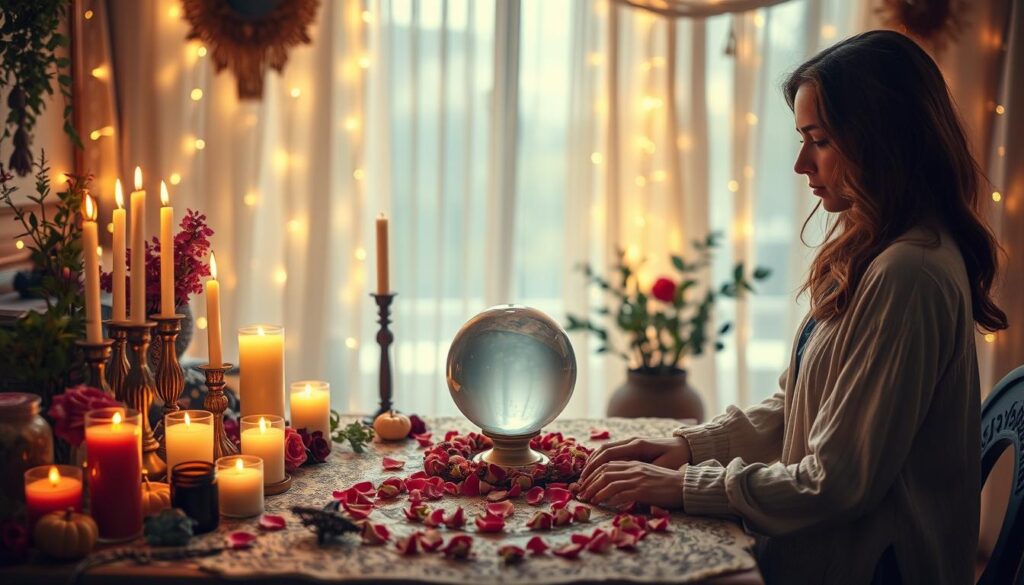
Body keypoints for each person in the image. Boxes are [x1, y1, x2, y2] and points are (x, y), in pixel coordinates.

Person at [576, 30, 1007, 585]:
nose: (802, 163)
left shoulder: (909, 275)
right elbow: (797, 404)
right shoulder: (877, 250)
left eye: (819, 140)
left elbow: (837, 481)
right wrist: (685, 449)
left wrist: (685, 486)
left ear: (883, 141)